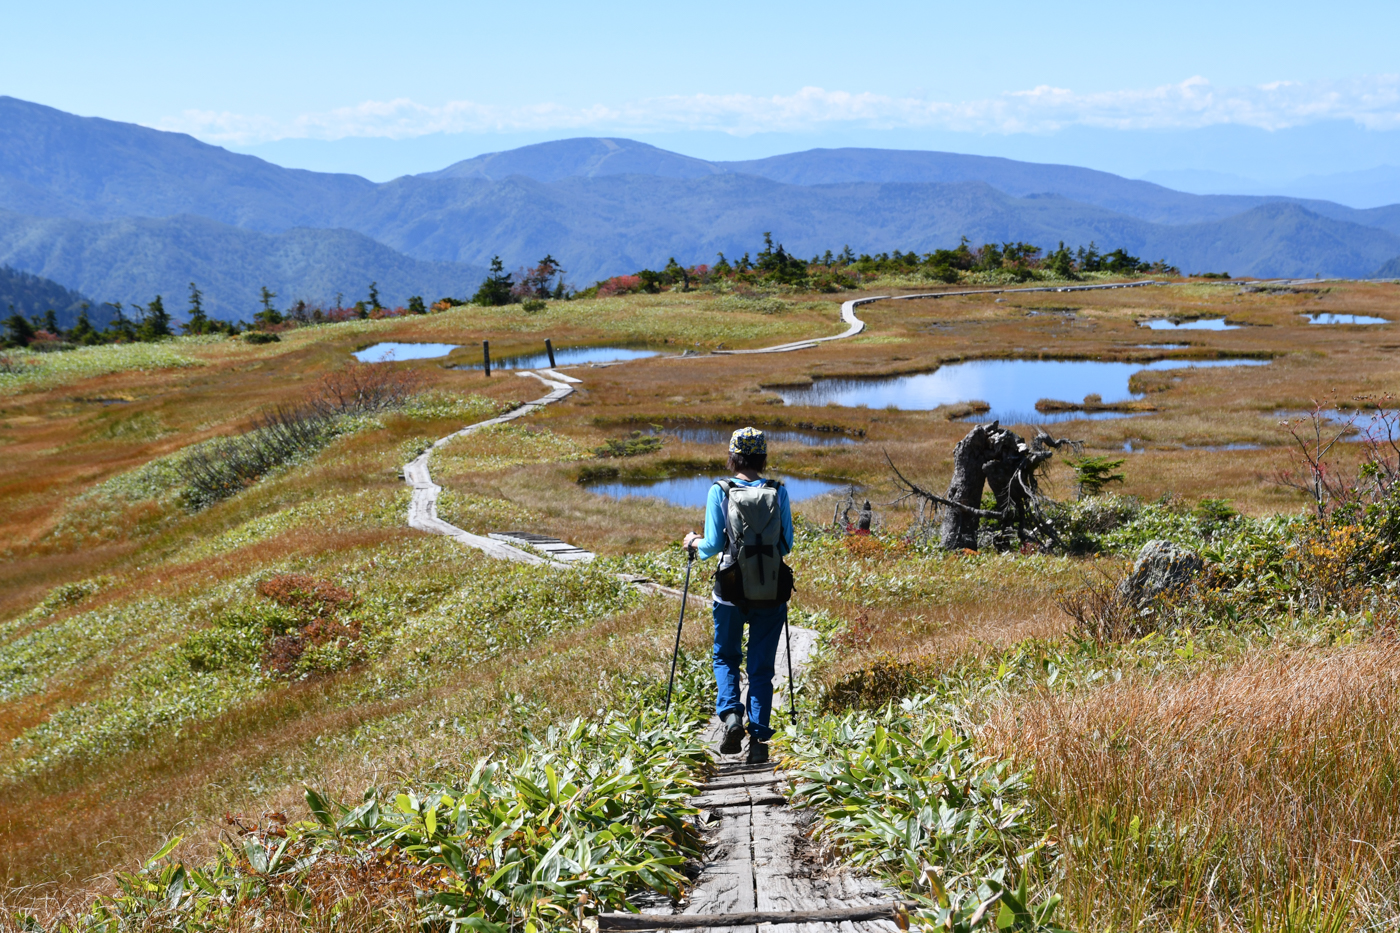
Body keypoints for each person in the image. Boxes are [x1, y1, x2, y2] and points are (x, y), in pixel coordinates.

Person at [682, 427, 793, 764]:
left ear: (732, 456)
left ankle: (731, 718)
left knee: (726, 657)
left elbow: (713, 545)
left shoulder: (721, 490)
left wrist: (692, 543)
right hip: (771, 589)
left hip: (729, 589)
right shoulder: (778, 491)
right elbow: (785, 544)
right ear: (762, 456)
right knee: (761, 668)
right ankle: (759, 739)